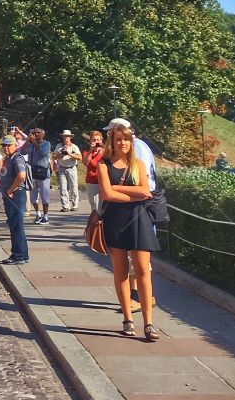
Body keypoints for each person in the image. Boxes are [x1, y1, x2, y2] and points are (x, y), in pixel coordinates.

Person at [97, 124, 160, 341]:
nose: (122, 143)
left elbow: (146, 189)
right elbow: (106, 194)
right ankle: (127, 318)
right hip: (116, 220)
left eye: (125, 139)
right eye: (118, 139)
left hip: (139, 219)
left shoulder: (138, 164)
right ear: (111, 142)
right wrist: (135, 195)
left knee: (143, 269)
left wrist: (118, 189)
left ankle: (149, 323)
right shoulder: (103, 164)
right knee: (121, 270)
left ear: (130, 141)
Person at [0, 134, 30, 265]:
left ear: (15, 145)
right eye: (3, 146)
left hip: (16, 195)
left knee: (16, 225)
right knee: (16, 225)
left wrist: (10, 189)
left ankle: (18, 255)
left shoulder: (17, 158)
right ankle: (23, 254)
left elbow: (21, 175)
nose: (5, 148)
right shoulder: (9, 158)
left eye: (8, 145)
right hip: (12, 195)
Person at [23, 127, 53, 224]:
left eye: (38, 133)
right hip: (32, 173)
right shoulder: (31, 145)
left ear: (42, 134)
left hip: (43, 173)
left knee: (45, 196)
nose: (35, 134)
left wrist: (34, 142)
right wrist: (27, 141)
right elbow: (23, 151)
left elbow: (42, 153)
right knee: (33, 197)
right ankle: (38, 214)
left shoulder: (46, 144)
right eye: (34, 133)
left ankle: (46, 216)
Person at [53, 130, 83, 211]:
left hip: (71, 168)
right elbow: (54, 156)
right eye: (64, 136)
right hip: (62, 168)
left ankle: (75, 205)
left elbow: (80, 157)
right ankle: (65, 206)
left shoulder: (74, 147)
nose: (66, 138)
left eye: (67, 136)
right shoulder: (59, 146)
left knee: (73, 187)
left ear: (70, 137)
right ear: (62, 137)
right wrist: (60, 155)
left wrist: (69, 153)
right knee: (63, 187)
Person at [82, 129, 105, 215]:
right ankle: (96, 224)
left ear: (101, 140)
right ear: (90, 141)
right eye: (94, 140)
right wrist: (91, 150)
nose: (96, 142)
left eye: (98, 140)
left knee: (105, 205)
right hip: (92, 182)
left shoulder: (105, 152)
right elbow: (85, 163)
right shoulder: (87, 153)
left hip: (104, 181)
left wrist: (102, 149)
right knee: (95, 206)